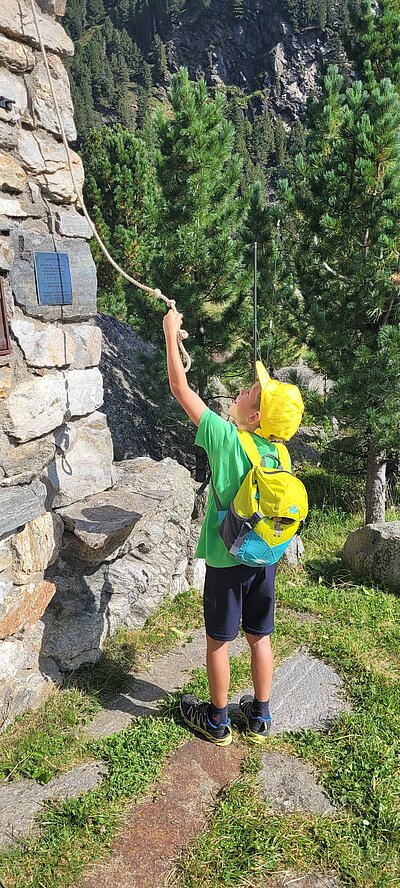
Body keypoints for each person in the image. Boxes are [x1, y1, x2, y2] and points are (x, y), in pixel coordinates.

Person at [163, 309, 303, 746]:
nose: (243, 389)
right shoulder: (280, 456)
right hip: (266, 559)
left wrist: (171, 334)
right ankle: (260, 717)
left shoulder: (225, 437)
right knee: (260, 635)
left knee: (219, 640)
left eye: (251, 391)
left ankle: (218, 720)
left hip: (227, 559)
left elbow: (178, 387)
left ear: (255, 416)